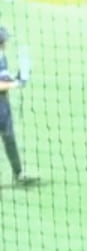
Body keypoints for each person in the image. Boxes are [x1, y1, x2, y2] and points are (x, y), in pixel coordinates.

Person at [0, 27, 40, 189]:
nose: (7, 42)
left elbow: (3, 78)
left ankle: (18, 174)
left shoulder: (2, 57)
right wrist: (16, 84)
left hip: (3, 106)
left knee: (9, 138)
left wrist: (18, 77)